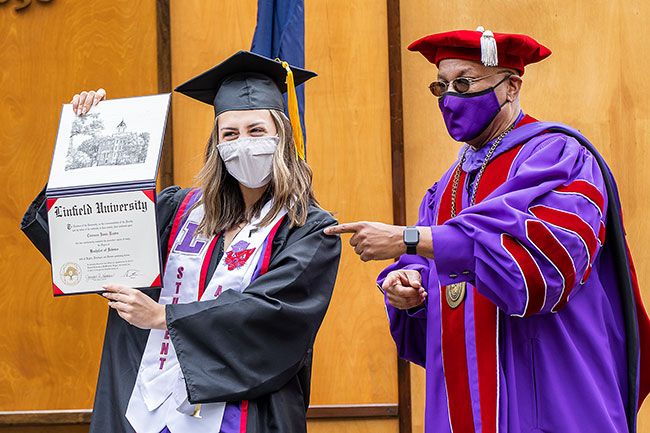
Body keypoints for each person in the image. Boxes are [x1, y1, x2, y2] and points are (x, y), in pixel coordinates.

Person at [325, 28, 650, 432]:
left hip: (549, 388)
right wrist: (408, 289)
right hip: (466, 398)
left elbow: (542, 270)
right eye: (441, 86)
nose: (450, 98)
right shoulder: (445, 188)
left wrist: (410, 237)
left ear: (511, 86)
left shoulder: (559, 157)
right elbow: (431, 284)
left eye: (464, 82)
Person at [21, 50, 341, 433]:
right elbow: (89, 242)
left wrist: (165, 318)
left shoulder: (308, 229)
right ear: (217, 145)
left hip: (240, 416)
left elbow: (274, 316)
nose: (243, 144)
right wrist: (88, 137)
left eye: (257, 131)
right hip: (143, 409)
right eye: (230, 134)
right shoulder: (177, 210)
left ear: (282, 137)